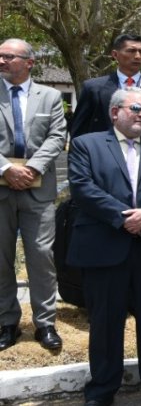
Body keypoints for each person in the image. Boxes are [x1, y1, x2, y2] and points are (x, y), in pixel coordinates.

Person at [67, 87, 141, 406]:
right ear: (115, 112)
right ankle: (103, 388)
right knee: (105, 322)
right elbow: (82, 188)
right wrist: (124, 218)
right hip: (104, 247)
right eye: (136, 108)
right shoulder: (85, 145)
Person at [0, 38, 67, 352]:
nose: (1, 61)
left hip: (38, 188)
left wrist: (32, 169)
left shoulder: (51, 96)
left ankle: (45, 323)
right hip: (1, 186)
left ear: (29, 62)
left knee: (41, 257)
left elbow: (57, 136)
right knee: (1, 259)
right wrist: (6, 170)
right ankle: (7, 321)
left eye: (8, 56)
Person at [70, 34, 141, 142]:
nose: (138, 56)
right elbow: (78, 133)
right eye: (131, 51)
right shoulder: (93, 89)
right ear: (115, 54)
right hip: (103, 156)